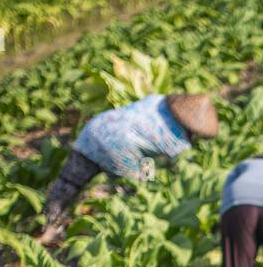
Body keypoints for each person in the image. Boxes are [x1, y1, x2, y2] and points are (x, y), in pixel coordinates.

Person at [40, 92, 219, 240]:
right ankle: (109, 234)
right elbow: (151, 162)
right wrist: (148, 185)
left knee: (69, 182)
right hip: (120, 149)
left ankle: (46, 225)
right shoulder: (179, 142)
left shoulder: (156, 100)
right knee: (128, 195)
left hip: (97, 127)